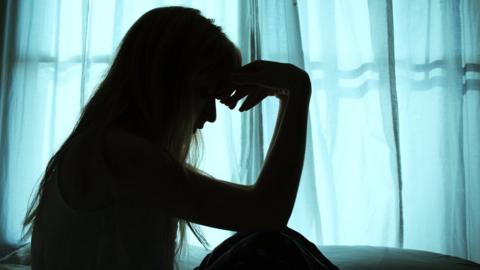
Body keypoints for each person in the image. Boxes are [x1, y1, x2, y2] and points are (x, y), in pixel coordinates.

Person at [21, 6, 338, 270]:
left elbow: (264, 213)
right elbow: (267, 211)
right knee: (272, 247)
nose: (211, 116)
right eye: (204, 93)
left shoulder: (102, 149)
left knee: (265, 242)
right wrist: (296, 92)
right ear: (167, 84)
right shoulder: (119, 155)